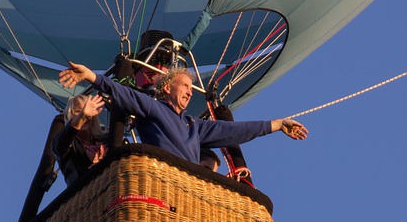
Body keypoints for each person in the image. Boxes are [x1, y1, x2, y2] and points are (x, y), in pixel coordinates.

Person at [58, 62, 308, 164]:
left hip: (188, 189)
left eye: (191, 88)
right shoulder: (153, 108)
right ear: (167, 87)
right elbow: (125, 94)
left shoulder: (194, 126)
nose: (190, 92)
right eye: (185, 86)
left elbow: (233, 131)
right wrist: (91, 76)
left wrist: (275, 124)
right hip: (164, 181)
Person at [52, 93, 108, 184]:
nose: (85, 115)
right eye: (78, 111)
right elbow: (61, 142)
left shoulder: (105, 140)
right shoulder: (65, 145)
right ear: (70, 117)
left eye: (87, 111)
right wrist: (82, 116)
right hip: (86, 192)